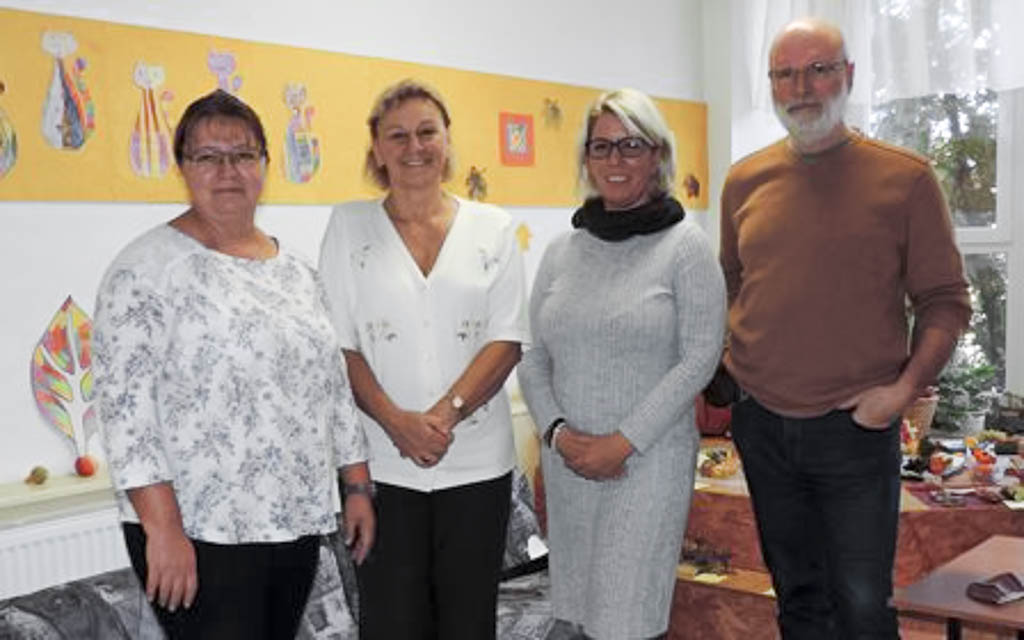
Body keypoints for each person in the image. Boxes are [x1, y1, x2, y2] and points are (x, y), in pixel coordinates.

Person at [720, 18, 971, 639]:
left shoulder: (906, 178)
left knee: (862, 606)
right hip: (763, 426)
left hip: (855, 431)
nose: (801, 87)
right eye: (784, 74)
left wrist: (902, 391)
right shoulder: (744, 181)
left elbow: (945, 302)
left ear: (849, 76)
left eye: (818, 69)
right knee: (797, 599)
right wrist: (731, 363)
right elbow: (730, 284)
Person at [92, 89, 374, 640]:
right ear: (183, 167)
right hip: (198, 531)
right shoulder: (144, 270)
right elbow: (127, 416)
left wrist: (357, 486)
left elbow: (331, 385)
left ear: (264, 165)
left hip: (292, 518)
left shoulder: (296, 272)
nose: (228, 171)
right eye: (208, 156)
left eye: (243, 154)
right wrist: (163, 531)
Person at [317, 79, 528, 640]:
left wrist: (443, 415)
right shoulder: (349, 227)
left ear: (447, 139)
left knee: (468, 623)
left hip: (477, 465)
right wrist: (397, 423)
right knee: (392, 623)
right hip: (383, 468)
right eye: (398, 135)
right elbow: (338, 345)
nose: (415, 147)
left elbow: (507, 338)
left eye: (427, 132)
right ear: (377, 148)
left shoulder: (493, 228)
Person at [517, 88, 726, 640]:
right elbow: (533, 355)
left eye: (631, 145)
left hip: (646, 465)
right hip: (569, 465)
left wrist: (622, 442)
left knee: (626, 623)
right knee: (578, 616)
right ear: (586, 158)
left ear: (657, 154)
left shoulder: (686, 247)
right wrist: (559, 435)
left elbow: (700, 357)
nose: (615, 159)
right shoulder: (561, 251)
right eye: (601, 146)